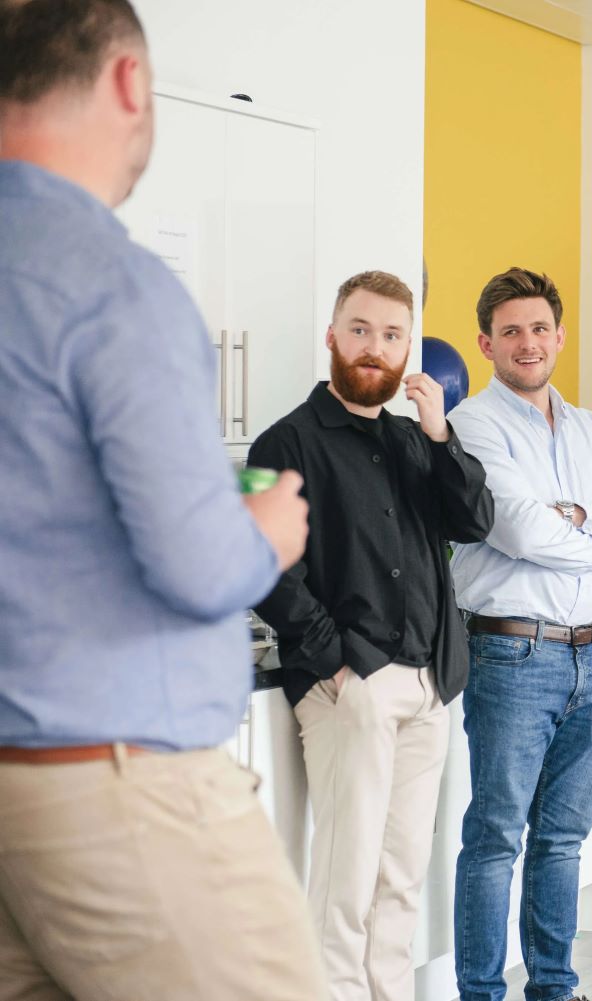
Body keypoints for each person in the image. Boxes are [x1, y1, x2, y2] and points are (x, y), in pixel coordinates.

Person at [0, 0, 323, 996]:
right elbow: (198, 564)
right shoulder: (112, 283)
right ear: (129, 83)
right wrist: (265, 533)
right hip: (119, 788)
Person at [249, 270, 494, 1001]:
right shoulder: (282, 439)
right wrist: (334, 660)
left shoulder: (416, 441)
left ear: (406, 348)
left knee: (401, 880)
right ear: (331, 336)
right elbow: (257, 560)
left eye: (392, 336)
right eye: (360, 330)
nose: (374, 348)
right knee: (345, 884)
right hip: (348, 687)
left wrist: (441, 432)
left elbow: (474, 521)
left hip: (428, 685)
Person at [449, 267, 592, 1001]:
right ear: (486, 342)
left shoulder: (591, 429)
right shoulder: (472, 426)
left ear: (560, 336)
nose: (528, 342)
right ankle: (479, 991)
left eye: (540, 327)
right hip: (513, 653)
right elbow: (515, 528)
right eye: (510, 330)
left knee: (563, 839)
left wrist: (570, 516)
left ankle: (553, 986)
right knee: (495, 838)